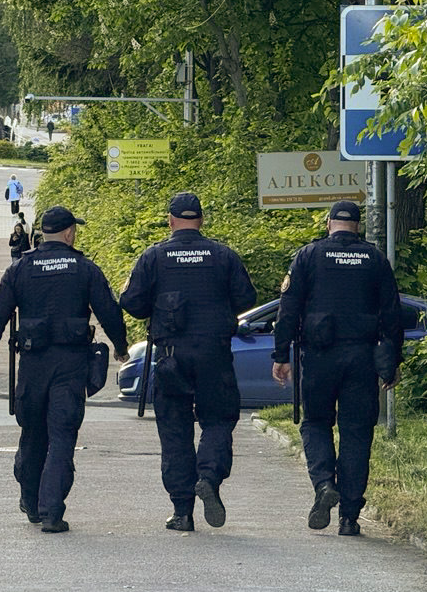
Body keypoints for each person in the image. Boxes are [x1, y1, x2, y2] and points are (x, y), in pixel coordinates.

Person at [0, 206, 130, 533]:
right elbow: (109, 311)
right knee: (61, 436)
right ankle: (51, 511)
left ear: (42, 233)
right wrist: (120, 346)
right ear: (70, 232)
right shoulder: (85, 269)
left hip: (32, 367)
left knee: (32, 434)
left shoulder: (20, 269)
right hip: (70, 366)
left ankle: (31, 502)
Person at [119, 192, 256, 531]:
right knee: (219, 420)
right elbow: (246, 298)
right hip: (214, 355)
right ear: (202, 220)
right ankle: (208, 477)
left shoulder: (154, 257)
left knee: (175, 431)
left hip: (171, 359)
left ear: (170, 221)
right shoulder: (223, 255)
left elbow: (132, 303)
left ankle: (182, 512)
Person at [271, 200, 402, 537]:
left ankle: (324, 483)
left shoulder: (309, 256)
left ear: (329, 223)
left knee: (315, 423)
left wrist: (280, 354)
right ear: (357, 226)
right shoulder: (375, 259)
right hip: (361, 359)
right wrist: (392, 363)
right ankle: (349, 517)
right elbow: (392, 313)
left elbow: (288, 308)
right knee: (357, 434)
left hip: (319, 358)